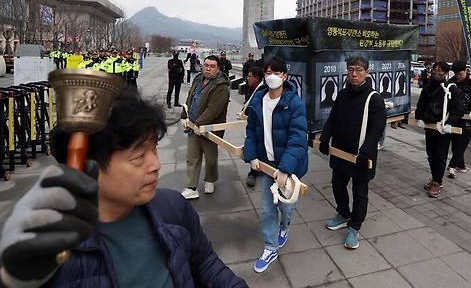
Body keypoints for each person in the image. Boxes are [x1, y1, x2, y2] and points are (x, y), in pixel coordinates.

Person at [0, 91, 248, 288]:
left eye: (155, 149)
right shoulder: (47, 251)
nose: (156, 165)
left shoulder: (173, 208)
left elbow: (204, 263)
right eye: (138, 157)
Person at [242, 57, 308, 273]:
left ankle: (285, 228)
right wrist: (251, 156)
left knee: (286, 207)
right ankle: (270, 247)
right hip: (266, 165)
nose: (272, 76)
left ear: (284, 77)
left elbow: (298, 139)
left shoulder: (294, 103)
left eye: (276, 73)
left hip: (289, 168)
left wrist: (286, 169)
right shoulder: (257, 102)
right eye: (268, 72)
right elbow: (251, 131)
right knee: (267, 209)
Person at [320, 56, 386, 250]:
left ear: (367, 72)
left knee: (360, 193)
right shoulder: (342, 94)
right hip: (341, 151)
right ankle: (343, 214)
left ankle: (354, 227)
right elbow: (332, 118)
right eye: (350, 70)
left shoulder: (374, 98)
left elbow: (377, 128)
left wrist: (367, 150)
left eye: (358, 70)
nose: (354, 74)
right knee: (337, 185)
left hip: (362, 155)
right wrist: (325, 138)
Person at [180, 55, 230, 199]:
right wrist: (184, 116)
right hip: (193, 125)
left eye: (212, 66)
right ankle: (191, 187)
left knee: (211, 157)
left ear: (218, 69)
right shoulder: (197, 79)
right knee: (192, 157)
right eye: (206, 65)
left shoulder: (222, 86)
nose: (208, 68)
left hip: (210, 128)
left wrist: (198, 124)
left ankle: (210, 180)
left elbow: (213, 110)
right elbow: (189, 98)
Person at [415, 62, 465, 197]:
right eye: (435, 70)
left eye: (440, 71)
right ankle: (435, 177)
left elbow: (459, 109)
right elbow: (421, 104)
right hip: (430, 127)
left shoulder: (451, 88)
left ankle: (438, 182)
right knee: (430, 154)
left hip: (443, 128)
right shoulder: (427, 88)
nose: (437, 73)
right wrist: (420, 117)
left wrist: (450, 123)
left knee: (440, 155)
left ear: (446, 73)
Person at [244, 65, 265, 188]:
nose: (248, 79)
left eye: (250, 76)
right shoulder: (252, 88)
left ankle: (254, 172)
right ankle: (254, 170)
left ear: (257, 78)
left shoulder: (261, 90)